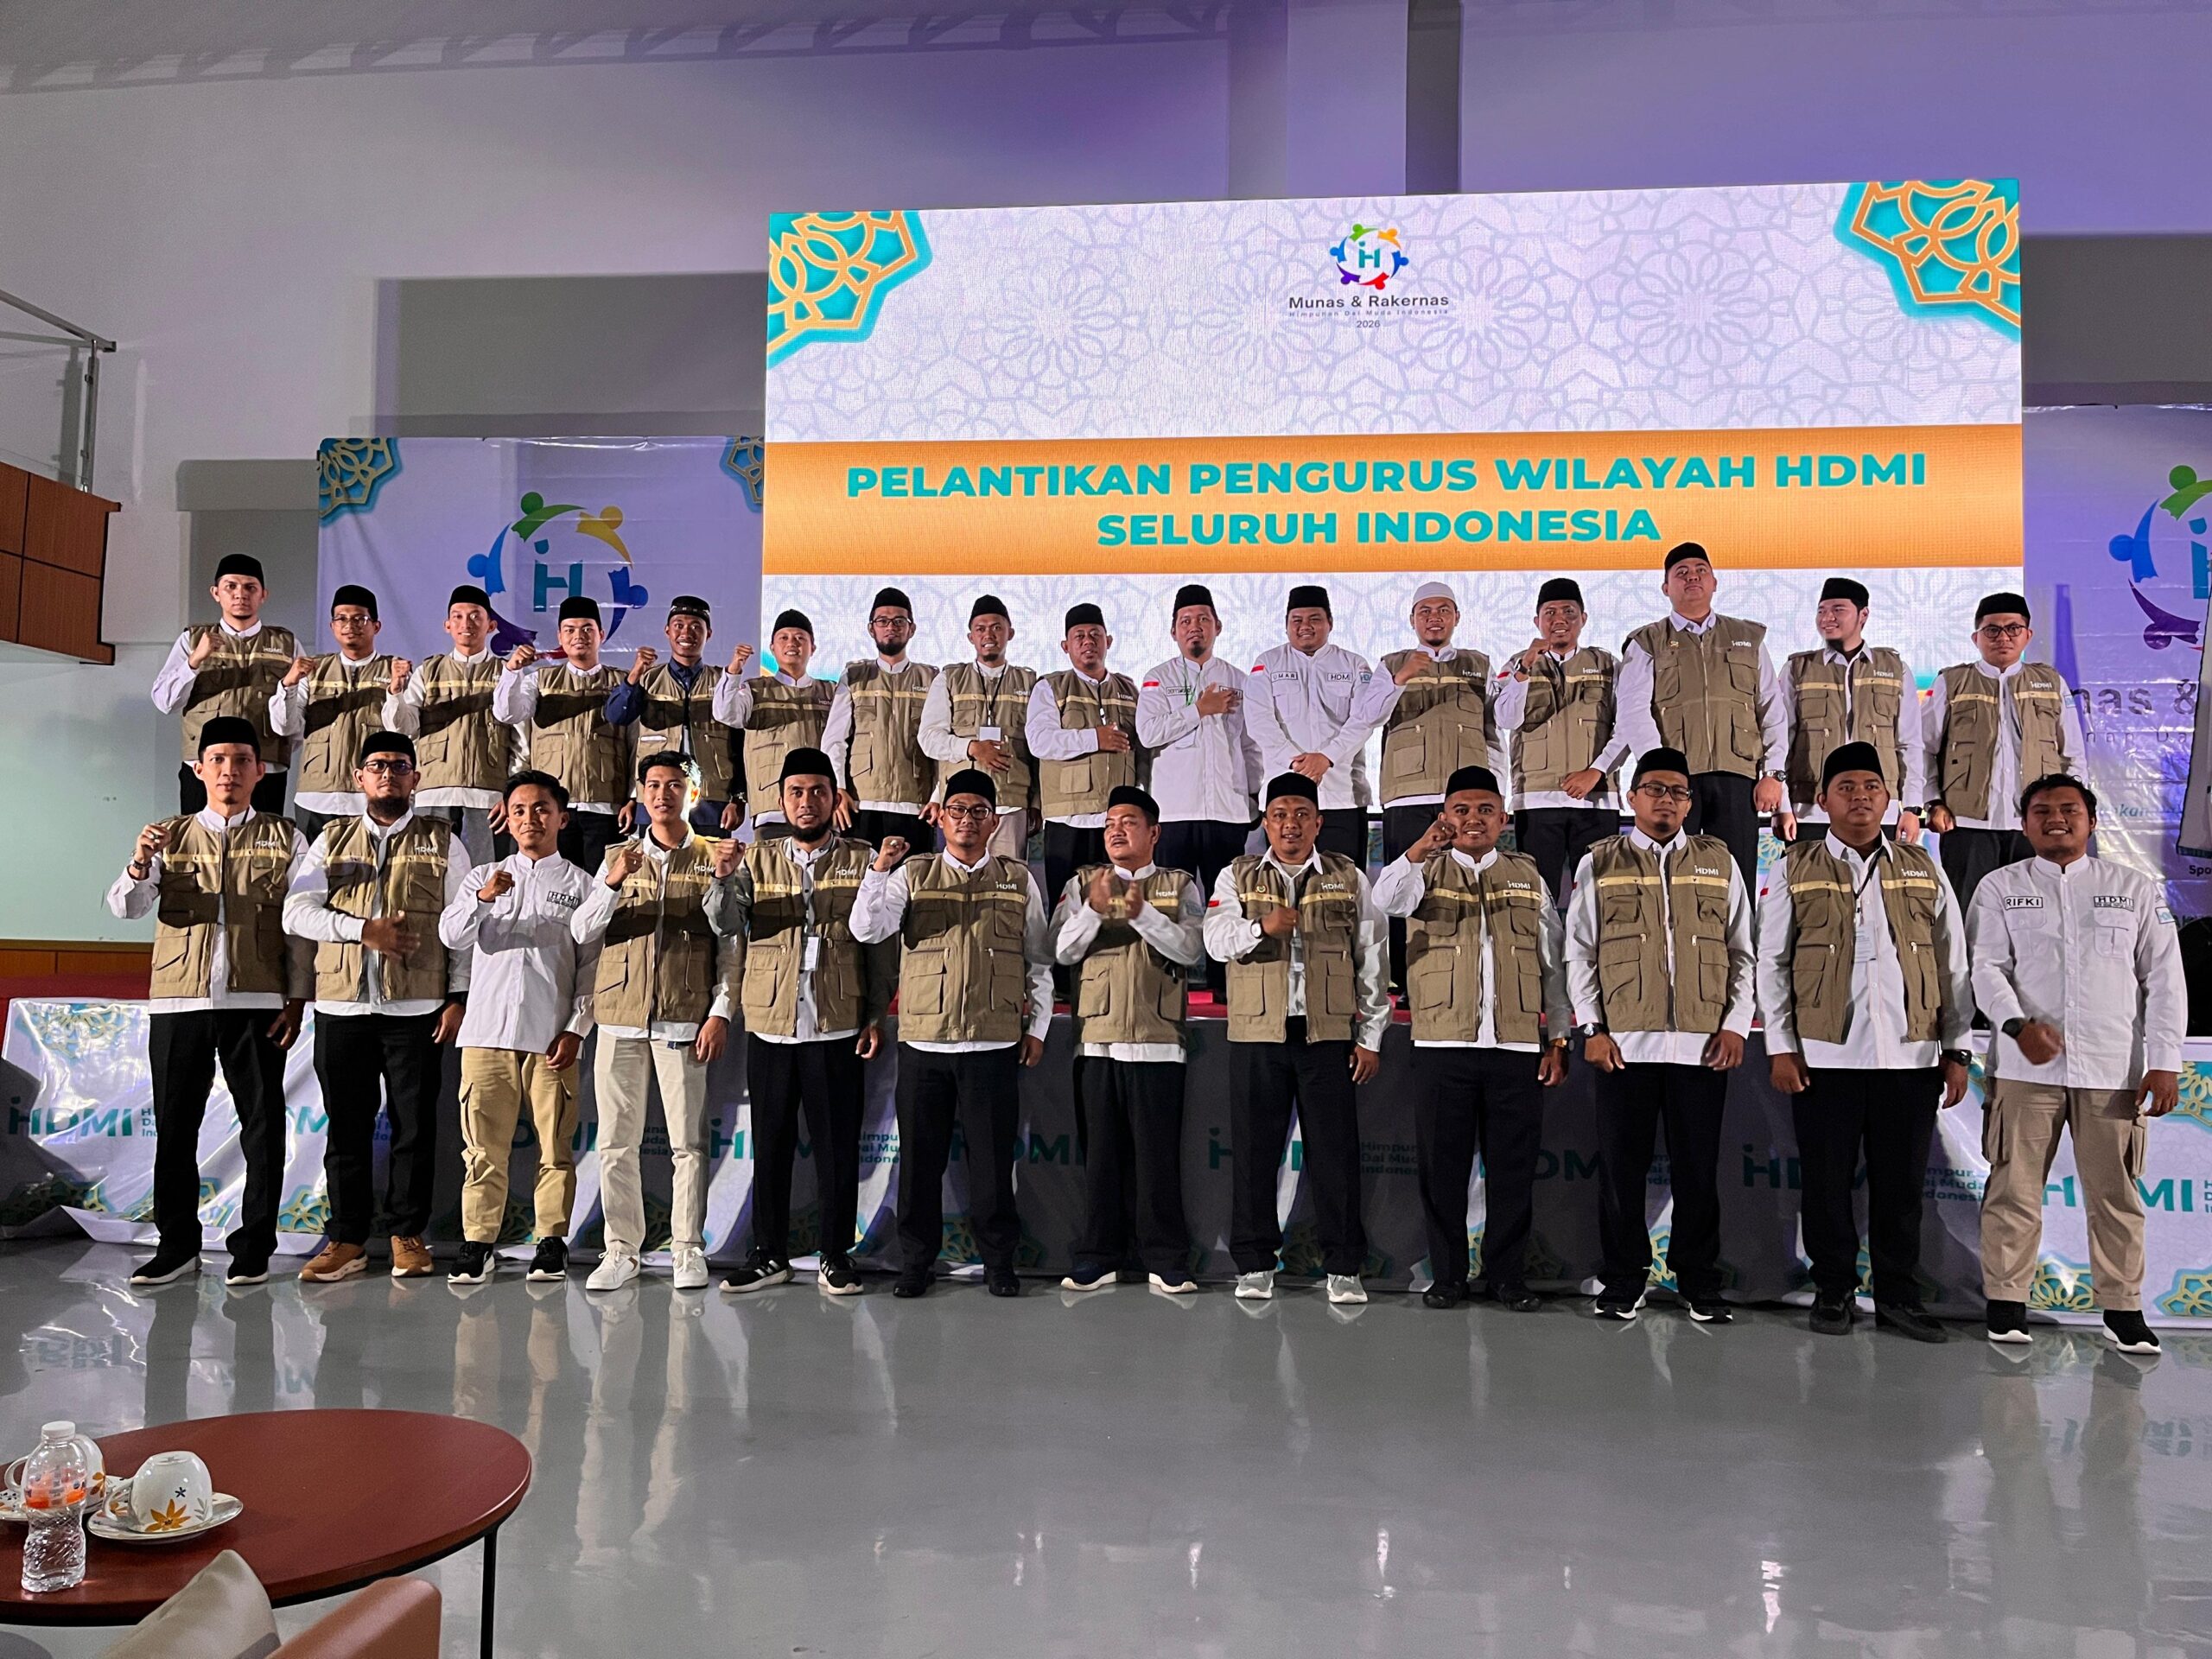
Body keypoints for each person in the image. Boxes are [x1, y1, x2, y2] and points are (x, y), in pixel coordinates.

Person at [1758, 741, 1973, 1341]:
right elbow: (1772, 963)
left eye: (1871, 787)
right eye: (1846, 788)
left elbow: (1952, 962)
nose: (1859, 798)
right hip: (1825, 1056)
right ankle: (1833, 1290)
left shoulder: (1922, 867)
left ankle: (1899, 1296)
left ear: (1888, 800)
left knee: (1901, 1187)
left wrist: (1956, 1049)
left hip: (1910, 1054)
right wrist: (1781, 1046)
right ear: (1823, 800)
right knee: (1826, 1182)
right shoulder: (1794, 866)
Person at [1968, 774, 2184, 1356]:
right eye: (2041, 811)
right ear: (2024, 824)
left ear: (2092, 820)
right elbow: (1985, 968)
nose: (2056, 819)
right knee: (2012, 1190)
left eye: (2069, 809)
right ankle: (2007, 1303)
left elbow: (2164, 979)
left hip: (2113, 1069)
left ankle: (2123, 1310)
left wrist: (2164, 1061)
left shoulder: (2134, 888)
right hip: (2025, 1069)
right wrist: (2017, 1027)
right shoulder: (1999, 887)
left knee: (2116, 1195)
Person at [107, 716, 308, 1287]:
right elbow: (126, 907)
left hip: (258, 1000)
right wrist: (139, 861)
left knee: (263, 1128)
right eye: (217, 760)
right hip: (180, 1002)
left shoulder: (286, 838)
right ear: (198, 770)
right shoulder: (167, 836)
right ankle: (177, 1246)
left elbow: (301, 927)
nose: (229, 771)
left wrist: (297, 998)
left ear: (260, 771)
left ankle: (254, 1249)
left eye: (241, 760)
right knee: (176, 1128)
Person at [1565, 746, 1755, 1322]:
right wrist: (1592, 1028)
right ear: (1632, 798)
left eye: (1677, 792)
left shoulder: (1719, 861)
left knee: (1698, 1172)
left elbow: (1742, 951)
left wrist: (1735, 1025)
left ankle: (1699, 1281)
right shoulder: (1600, 862)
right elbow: (1579, 953)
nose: (1665, 800)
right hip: (1624, 1047)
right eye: (1654, 789)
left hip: (1703, 1047)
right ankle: (1624, 1279)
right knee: (1621, 1172)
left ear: (1690, 803)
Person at [849, 768, 1053, 1299]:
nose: (967, 820)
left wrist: (1038, 1026)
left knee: (992, 1163)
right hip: (926, 1042)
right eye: (957, 810)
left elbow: (1039, 960)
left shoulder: (1017, 879)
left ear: (994, 821)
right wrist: (879, 869)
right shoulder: (912, 874)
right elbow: (867, 929)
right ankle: (916, 1262)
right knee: (920, 1163)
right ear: (939, 818)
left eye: (978, 812)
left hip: (994, 1041)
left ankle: (999, 1262)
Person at [1373, 766, 1571, 1311]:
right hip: (1443, 1045)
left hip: (1515, 1046)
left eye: (1485, 810)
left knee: (1513, 1171)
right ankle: (1448, 1277)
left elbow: (1553, 962)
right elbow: (1385, 902)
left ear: (1504, 819)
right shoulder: (1421, 870)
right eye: (1461, 810)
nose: (1473, 819)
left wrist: (1558, 1037)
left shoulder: (1527, 875)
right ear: (1445, 817)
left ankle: (1508, 1278)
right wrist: (1420, 849)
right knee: (1443, 1171)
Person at [283, 731, 469, 1282]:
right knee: (347, 1128)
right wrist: (360, 930)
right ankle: (347, 1239)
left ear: (416, 778)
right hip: (342, 1008)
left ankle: (407, 1233)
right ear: (359, 778)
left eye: (399, 766)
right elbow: (296, 912)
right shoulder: (330, 839)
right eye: (377, 766)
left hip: (417, 1008)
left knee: (414, 1128)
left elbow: (462, 927)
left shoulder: (445, 841)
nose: (388, 774)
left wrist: (457, 996)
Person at [708, 747, 892, 1297]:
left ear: (835, 799)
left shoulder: (863, 859)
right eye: (796, 792)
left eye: (817, 791)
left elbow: (880, 948)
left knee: (837, 1147)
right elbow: (726, 924)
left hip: (837, 1023)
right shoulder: (756, 859)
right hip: (772, 1023)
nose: (806, 801)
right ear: (781, 801)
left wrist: (875, 1015)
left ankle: (836, 1254)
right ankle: (769, 1254)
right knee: (771, 1144)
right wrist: (722, 879)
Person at [1204, 772, 1389, 1305]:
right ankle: (1255, 1263)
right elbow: (1214, 941)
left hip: (1325, 1035)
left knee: (1335, 1155)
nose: (1291, 824)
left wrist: (1371, 1037)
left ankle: (1344, 1267)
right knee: (1254, 1154)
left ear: (1319, 822)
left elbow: (1373, 958)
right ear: (1265, 823)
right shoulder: (1237, 875)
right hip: (1258, 1035)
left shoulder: (1347, 876)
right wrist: (1261, 927)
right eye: (1280, 815)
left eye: (1302, 815)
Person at [570, 752, 738, 1293]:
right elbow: (582, 932)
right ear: (641, 794)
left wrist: (720, 1012)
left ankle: (687, 1248)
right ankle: (622, 1249)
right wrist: (613, 882)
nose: (663, 794)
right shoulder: (616, 857)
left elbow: (730, 943)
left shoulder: (716, 856)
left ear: (694, 793)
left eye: (675, 785)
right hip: (619, 1018)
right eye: (654, 785)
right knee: (616, 1143)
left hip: (684, 1018)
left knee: (688, 1143)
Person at [438, 770, 599, 1287]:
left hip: (551, 1038)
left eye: (542, 809)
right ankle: (478, 1243)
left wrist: (575, 1029)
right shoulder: (481, 877)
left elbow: (592, 968)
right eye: (520, 810)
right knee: (483, 1149)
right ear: (505, 819)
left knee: (555, 1147)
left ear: (562, 818)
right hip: (485, 1035)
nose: (531, 819)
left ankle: (550, 1242)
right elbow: (451, 936)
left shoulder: (582, 885)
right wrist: (484, 898)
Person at [1050, 785, 1204, 1296]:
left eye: (1129, 822)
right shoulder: (1081, 884)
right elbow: (1060, 951)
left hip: (1159, 1040)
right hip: (1097, 1039)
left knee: (1158, 1159)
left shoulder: (1179, 884)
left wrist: (1143, 914)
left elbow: (1191, 950)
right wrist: (1095, 910)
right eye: (1110, 824)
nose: (1116, 831)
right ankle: (1099, 1255)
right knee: (1101, 1159)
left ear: (1154, 833)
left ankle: (1166, 1257)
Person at [1616, 543, 1788, 889]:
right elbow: (1633, 711)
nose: (1692, 577)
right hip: (1676, 782)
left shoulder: (1747, 637)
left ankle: (1737, 930)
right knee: (1673, 875)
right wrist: (1659, 771)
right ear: (1666, 588)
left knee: (1737, 878)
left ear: (1714, 582)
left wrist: (1773, 773)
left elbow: (1771, 707)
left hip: (1738, 776)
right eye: (1681, 573)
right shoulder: (1647, 641)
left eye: (1700, 571)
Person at [1363, 581, 1508, 987]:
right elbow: (1369, 716)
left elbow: (1493, 731)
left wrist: (1497, 791)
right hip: (1407, 794)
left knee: (1458, 887)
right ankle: (1405, 981)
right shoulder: (1391, 663)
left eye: (1443, 610)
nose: (1434, 618)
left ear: (1457, 617)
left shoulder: (1478, 664)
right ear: (1412, 619)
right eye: (1425, 611)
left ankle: (1461, 977)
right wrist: (1401, 678)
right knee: (1403, 883)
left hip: (1467, 802)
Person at [1137, 583, 1263, 996]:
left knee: (1228, 901)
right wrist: (1199, 709)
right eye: (1186, 621)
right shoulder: (1158, 679)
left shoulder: (1239, 680)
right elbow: (1148, 733)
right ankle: (1166, 989)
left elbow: (1251, 745)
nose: (1195, 628)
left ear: (1218, 627)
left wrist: (1255, 795)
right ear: (1173, 631)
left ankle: (1226, 988)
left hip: (1227, 810)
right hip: (1174, 811)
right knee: (1170, 902)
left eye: (1203, 620)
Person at [1924, 593, 2085, 914]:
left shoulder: (2050, 682)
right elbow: (1924, 748)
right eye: (1992, 630)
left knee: (2035, 916)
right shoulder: (1952, 682)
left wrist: (2070, 811)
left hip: (2035, 823)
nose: (2003, 637)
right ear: (1976, 638)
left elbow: (2072, 755)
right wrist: (1933, 803)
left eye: (2013, 628)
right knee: (1969, 915)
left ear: (2028, 635)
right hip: (1966, 824)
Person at [1495, 578, 1627, 908]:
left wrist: (1596, 772)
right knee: (1538, 901)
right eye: (1550, 612)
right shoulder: (1517, 664)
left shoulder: (1607, 664)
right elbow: (1505, 719)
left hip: (1597, 800)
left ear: (1583, 618)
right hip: (1536, 800)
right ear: (1537, 621)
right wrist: (1525, 668)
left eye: (1569, 612)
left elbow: (1627, 728)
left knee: (1599, 900)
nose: (1560, 620)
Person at [1777, 578, 1926, 844]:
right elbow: (1782, 741)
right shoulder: (1798, 669)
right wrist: (1783, 806)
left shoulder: (1894, 668)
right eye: (1821, 610)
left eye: (1838, 609)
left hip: (1880, 811)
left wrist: (1912, 808)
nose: (1827, 618)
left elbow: (1910, 743)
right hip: (1810, 810)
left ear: (1863, 615)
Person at [382, 584, 521, 866]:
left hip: (488, 797)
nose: (466, 623)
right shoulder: (428, 671)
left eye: (475, 616)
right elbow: (404, 730)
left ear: (491, 625)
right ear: (447, 625)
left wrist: (512, 793)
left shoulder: (505, 671)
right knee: (430, 875)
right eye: (457, 617)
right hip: (435, 792)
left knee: (485, 876)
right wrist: (395, 692)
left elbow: (521, 740)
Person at [1243, 584, 1383, 865]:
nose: (1305, 626)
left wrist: (1327, 758)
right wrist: (1298, 765)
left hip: (1343, 796)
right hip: (1285, 800)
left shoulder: (1354, 664)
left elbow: (1364, 720)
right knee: (1287, 884)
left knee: (1344, 882)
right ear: (1286, 625)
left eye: (1314, 619)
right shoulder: (1267, 663)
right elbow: (1259, 722)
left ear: (1330, 622)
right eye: (1297, 620)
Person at [493, 595, 632, 875]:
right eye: (570, 630)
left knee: (602, 886)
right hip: (552, 808)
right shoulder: (540, 680)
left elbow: (635, 743)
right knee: (553, 885)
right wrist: (512, 671)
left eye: (587, 629)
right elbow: (507, 714)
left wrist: (632, 797)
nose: (578, 636)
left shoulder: (622, 682)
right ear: (559, 636)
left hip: (605, 805)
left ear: (601, 634)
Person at [151, 552, 298, 815]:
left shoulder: (286, 644)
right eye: (231, 586)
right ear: (216, 593)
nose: (240, 594)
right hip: (204, 768)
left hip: (264, 768)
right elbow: (164, 702)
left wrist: (279, 746)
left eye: (250, 587)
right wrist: (195, 660)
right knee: (199, 839)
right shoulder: (193, 640)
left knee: (265, 839)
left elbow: (301, 711)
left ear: (263, 595)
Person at [1028, 603, 1144, 923]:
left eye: (1095, 634)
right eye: (1079, 636)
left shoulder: (1128, 689)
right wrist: (1095, 738)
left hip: (1115, 820)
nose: (1088, 641)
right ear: (1066, 646)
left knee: (1117, 910)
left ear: (1109, 641)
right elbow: (1040, 741)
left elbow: (1142, 751)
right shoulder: (1050, 687)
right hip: (1068, 820)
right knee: (1066, 911)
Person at [270, 583, 394, 843]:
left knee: (372, 867)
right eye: (342, 619)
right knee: (314, 868)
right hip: (316, 797)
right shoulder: (313, 671)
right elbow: (285, 727)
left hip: (370, 796)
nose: (350, 625)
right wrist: (288, 684)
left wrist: (397, 690)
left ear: (376, 626)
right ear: (332, 626)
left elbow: (405, 732)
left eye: (359, 619)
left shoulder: (393, 671)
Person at [607, 594, 741, 835]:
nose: (686, 633)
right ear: (667, 631)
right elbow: (617, 716)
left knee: (710, 859)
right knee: (657, 858)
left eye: (696, 627)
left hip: (712, 800)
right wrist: (634, 674)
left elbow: (739, 744)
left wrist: (738, 798)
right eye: (679, 625)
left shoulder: (724, 681)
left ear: (709, 634)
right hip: (655, 800)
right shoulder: (647, 679)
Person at [921, 594, 1038, 861]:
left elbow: (1037, 751)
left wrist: (1037, 802)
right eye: (980, 628)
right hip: (961, 807)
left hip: (1010, 803)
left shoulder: (1029, 681)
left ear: (1010, 633)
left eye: (997, 627)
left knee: (1008, 879)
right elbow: (929, 738)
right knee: (958, 879)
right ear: (971, 637)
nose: (989, 634)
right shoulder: (950, 678)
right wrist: (972, 748)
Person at [823, 586, 939, 849]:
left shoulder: (931, 678)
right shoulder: (854, 676)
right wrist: (838, 788)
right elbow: (834, 740)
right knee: (860, 875)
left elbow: (939, 743)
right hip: (860, 804)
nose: (891, 627)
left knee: (913, 876)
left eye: (899, 621)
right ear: (871, 628)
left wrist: (938, 795)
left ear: (912, 629)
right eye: (883, 621)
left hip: (915, 805)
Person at [715, 608, 834, 838]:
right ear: (772, 648)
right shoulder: (755, 689)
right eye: (784, 637)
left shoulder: (830, 691)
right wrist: (734, 671)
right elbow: (725, 714)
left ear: (813, 648)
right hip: (772, 808)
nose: (792, 643)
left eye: (800, 638)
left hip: (820, 809)